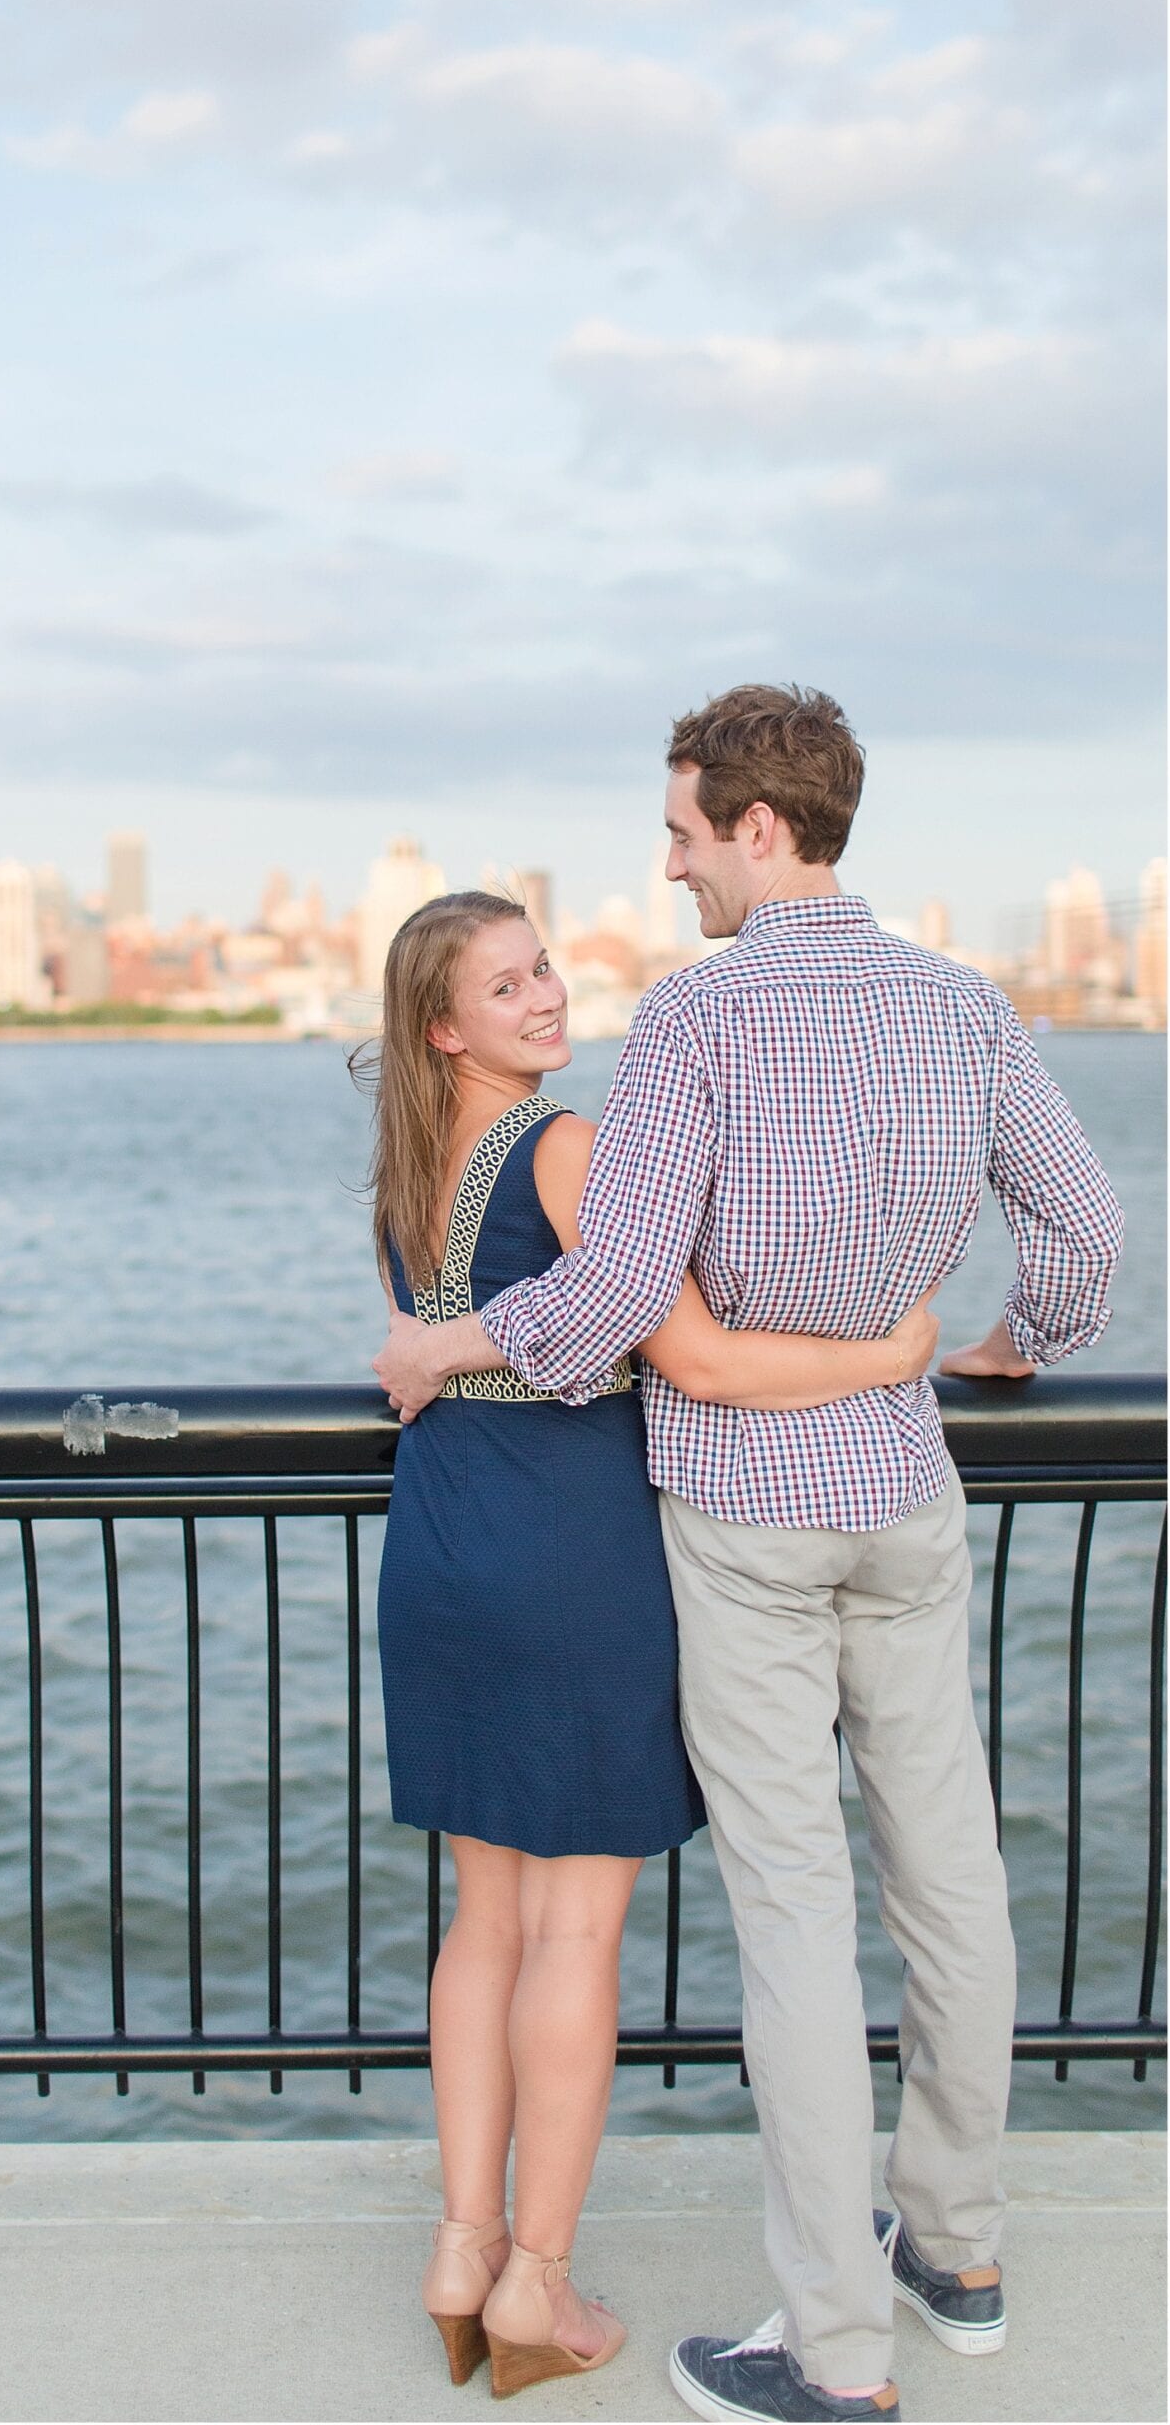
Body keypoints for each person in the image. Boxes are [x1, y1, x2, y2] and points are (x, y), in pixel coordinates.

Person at [373, 687, 1124, 2425]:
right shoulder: (962, 1004)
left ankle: (837, 2354)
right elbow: (1080, 1231)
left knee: (795, 1921)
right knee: (952, 1879)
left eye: (686, 831)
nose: (671, 861)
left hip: (745, 1510)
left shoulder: (698, 1022)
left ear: (759, 830)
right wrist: (1015, 1339)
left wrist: (452, 1341)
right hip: (907, 1493)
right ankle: (961, 2248)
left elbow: (626, 1297)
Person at [360, 886, 941, 2401]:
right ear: (447, 1027)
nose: (547, 996)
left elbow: (458, 1334)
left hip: (439, 1545)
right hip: (568, 1558)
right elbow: (690, 1354)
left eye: (543, 966)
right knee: (576, 1933)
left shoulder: (406, 1167)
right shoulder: (569, 1149)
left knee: (483, 1924)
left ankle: (460, 2249)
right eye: (507, 988)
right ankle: (539, 2284)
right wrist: (887, 1353)